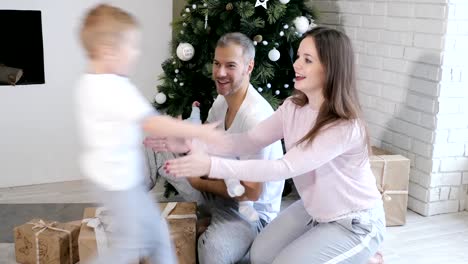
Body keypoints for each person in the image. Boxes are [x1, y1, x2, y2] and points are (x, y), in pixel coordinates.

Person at [163, 27, 386, 264]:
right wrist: (192, 139)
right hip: (313, 211)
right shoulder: (293, 107)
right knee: (260, 257)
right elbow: (248, 140)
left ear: (330, 69)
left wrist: (211, 165)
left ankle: (365, 257)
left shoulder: (343, 127)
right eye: (298, 56)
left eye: (307, 60)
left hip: (354, 222)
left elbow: (283, 168)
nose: (296, 65)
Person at [75, 4, 221, 264]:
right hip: (121, 185)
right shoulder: (115, 88)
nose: (136, 53)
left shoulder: (88, 84)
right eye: (131, 47)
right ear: (108, 51)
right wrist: (196, 130)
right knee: (131, 246)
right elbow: (153, 123)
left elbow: (122, 126)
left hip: (113, 181)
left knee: (157, 235)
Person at [145, 32, 284, 264]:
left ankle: (244, 246)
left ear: (249, 67)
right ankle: (131, 211)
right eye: (217, 63)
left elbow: (251, 191)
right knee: (156, 138)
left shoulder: (255, 118)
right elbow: (205, 149)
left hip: (250, 212)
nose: (220, 73)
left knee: (213, 252)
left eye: (230, 65)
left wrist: (198, 181)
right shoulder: (222, 101)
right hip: (217, 191)